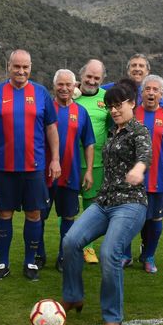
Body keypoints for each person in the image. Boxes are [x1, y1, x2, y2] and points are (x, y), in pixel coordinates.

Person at [60, 81, 151, 325]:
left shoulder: (139, 131)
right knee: (71, 241)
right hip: (104, 202)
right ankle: (73, 296)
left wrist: (139, 169)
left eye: (118, 105)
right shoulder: (113, 132)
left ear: (132, 103)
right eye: (110, 106)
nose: (114, 110)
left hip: (130, 204)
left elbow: (145, 154)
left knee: (109, 252)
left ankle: (113, 317)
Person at [0, 49, 61, 281]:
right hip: (4, 167)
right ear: (9, 66)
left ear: (30, 67)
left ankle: (30, 262)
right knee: (4, 213)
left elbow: (51, 128)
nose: (21, 71)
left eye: (25, 67)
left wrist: (55, 159)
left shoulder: (41, 93)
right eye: (17, 66)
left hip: (34, 167)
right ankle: (3, 263)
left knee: (34, 214)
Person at [39, 69, 94, 270]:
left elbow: (89, 143)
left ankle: (64, 256)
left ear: (74, 86)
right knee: (38, 216)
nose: (64, 88)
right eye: (60, 84)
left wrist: (88, 170)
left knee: (69, 217)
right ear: (54, 86)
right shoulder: (45, 109)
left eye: (68, 85)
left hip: (70, 174)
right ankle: (38, 255)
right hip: (44, 175)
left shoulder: (81, 112)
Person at [74, 59, 112, 264]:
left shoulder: (106, 98)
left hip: (96, 164)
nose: (92, 81)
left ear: (102, 79)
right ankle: (67, 247)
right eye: (88, 76)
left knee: (91, 208)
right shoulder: (71, 94)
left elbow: (113, 125)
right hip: (70, 162)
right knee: (68, 208)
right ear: (81, 75)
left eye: (97, 78)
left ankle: (88, 247)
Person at [134, 75, 163, 273]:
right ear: (141, 93)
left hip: (159, 175)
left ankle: (149, 256)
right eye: (147, 89)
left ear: (161, 94)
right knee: (127, 217)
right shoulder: (131, 112)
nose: (151, 93)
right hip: (133, 178)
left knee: (155, 219)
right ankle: (124, 255)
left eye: (155, 89)